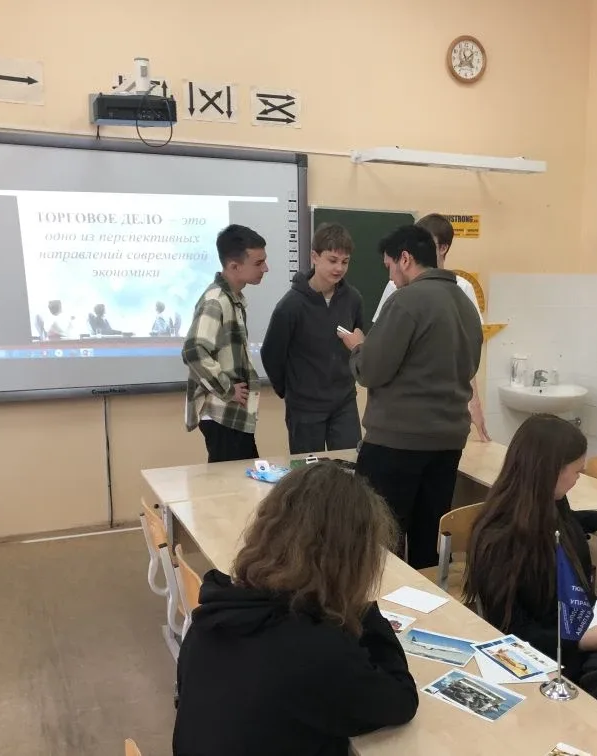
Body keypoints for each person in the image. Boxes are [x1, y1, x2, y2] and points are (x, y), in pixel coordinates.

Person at [172, 462, 419, 756]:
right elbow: (401, 700)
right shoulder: (316, 653)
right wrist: (361, 608)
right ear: (352, 561)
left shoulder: (213, 614)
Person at [462, 413, 597, 732]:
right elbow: (511, 633)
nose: (579, 478)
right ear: (550, 473)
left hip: (575, 625)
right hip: (545, 649)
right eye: (576, 471)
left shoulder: (548, 502)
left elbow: (565, 524)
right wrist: (581, 641)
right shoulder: (501, 539)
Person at [339, 225, 483, 569]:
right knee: (427, 541)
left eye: (390, 266)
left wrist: (357, 347)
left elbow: (371, 370)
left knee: (376, 541)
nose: (391, 276)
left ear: (405, 259)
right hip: (448, 442)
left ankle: (379, 603)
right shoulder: (465, 304)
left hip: (397, 442)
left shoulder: (406, 301)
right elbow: (470, 366)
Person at [374, 213, 490, 442]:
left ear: (443, 248)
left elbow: (466, 353)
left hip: (444, 412)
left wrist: (474, 402)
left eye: (427, 240)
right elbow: (380, 347)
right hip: (403, 410)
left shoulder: (462, 288)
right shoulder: (396, 284)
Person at [261, 222, 365, 454]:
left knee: (350, 464)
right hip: (304, 407)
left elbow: (358, 340)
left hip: (344, 402)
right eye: (332, 260)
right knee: (308, 468)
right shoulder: (291, 305)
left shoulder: (353, 299)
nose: (339, 268)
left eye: (345, 261)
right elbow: (271, 354)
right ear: (314, 257)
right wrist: (291, 391)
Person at [182, 224, 268, 463]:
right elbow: (193, 350)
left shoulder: (234, 299)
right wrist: (227, 389)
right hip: (221, 414)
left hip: (231, 415)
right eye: (259, 263)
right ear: (234, 266)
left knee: (244, 477)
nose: (265, 268)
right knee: (232, 482)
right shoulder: (216, 301)